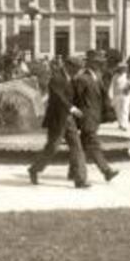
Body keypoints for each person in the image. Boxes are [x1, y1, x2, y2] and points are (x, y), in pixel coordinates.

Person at [28, 56, 89, 188]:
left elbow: (76, 96)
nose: (78, 71)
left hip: (69, 119)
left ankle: (80, 179)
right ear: (69, 66)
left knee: (77, 147)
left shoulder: (72, 79)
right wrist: (72, 108)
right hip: (57, 119)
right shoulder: (56, 78)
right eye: (77, 68)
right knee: (52, 148)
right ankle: (34, 169)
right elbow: (58, 98)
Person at [72, 50, 119, 182]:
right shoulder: (82, 78)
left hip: (95, 117)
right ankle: (106, 171)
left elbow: (103, 97)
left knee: (80, 146)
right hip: (87, 117)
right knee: (93, 144)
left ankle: (73, 171)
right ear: (91, 63)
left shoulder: (97, 77)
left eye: (101, 63)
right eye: (98, 63)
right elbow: (75, 99)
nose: (101, 65)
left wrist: (108, 112)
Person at [108, 62, 130, 131]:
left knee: (125, 109)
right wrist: (110, 95)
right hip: (117, 95)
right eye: (121, 68)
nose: (123, 69)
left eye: (124, 68)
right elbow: (112, 86)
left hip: (126, 95)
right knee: (118, 110)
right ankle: (120, 123)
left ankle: (125, 125)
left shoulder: (128, 75)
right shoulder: (115, 76)